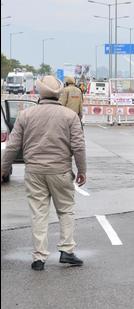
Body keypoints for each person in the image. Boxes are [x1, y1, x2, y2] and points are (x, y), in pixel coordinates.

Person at [1, 75, 87, 271]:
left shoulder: (26, 115)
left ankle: (39, 257)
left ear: (39, 92)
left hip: (34, 171)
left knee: (39, 213)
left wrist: (3, 169)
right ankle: (67, 251)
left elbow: (13, 146)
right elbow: (78, 146)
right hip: (60, 170)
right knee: (65, 210)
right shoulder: (69, 116)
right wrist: (82, 170)